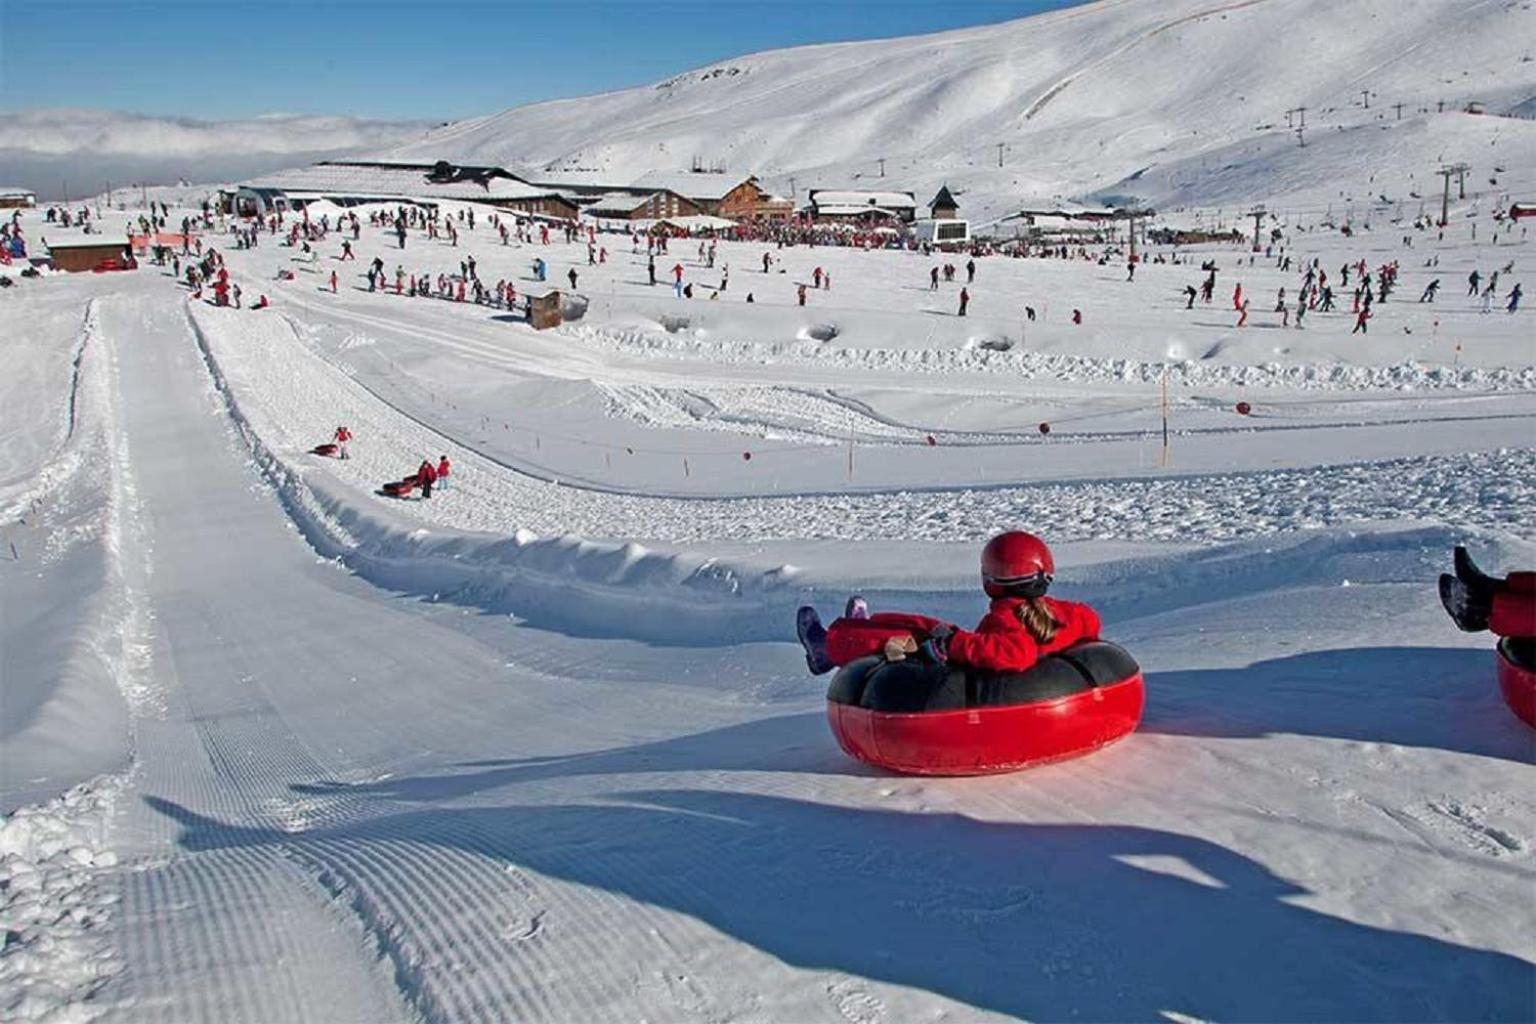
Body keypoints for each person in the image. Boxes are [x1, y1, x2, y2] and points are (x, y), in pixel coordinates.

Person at [795, 531, 1101, 675]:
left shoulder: (1008, 618)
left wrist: (955, 643)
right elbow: (1090, 621)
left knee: (909, 639)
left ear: (991, 580)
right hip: (973, 654)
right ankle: (859, 627)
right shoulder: (1064, 612)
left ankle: (826, 649)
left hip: (963, 676)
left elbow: (1015, 654)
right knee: (923, 624)